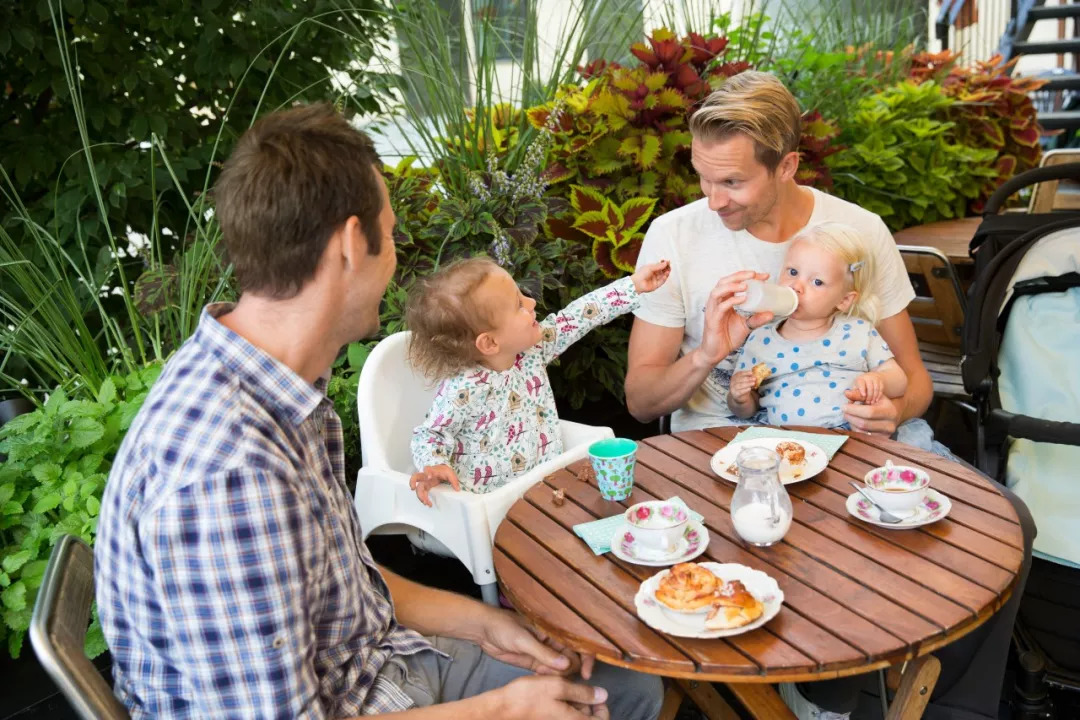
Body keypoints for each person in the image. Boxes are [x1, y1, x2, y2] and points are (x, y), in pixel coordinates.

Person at [95, 104, 663, 719]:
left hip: (377, 660)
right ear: (347, 247)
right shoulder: (229, 473)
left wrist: (486, 624)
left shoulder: (278, 393)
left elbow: (343, 587)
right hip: (359, 699)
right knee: (615, 698)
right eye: (389, 235)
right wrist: (504, 710)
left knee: (627, 684)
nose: (396, 256)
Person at [624, 71, 1034, 720]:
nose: (713, 200)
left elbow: (916, 381)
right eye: (702, 177)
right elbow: (642, 401)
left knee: (1006, 524)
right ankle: (840, 700)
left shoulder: (857, 232)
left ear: (787, 165)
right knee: (824, 572)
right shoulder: (676, 236)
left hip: (849, 449)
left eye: (732, 181)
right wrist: (707, 353)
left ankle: (936, 705)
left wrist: (891, 410)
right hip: (723, 459)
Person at [407, 256, 670, 505]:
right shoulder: (464, 387)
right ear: (489, 342)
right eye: (519, 305)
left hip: (545, 487)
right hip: (490, 505)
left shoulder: (531, 351)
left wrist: (633, 285)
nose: (531, 303)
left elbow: (579, 316)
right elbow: (430, 434)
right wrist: (435, 464)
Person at [727, 223, 907, 425]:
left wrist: (879, 381)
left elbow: (899, 381)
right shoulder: (761, 338)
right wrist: (739, 397)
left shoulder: (858, 332)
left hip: (852, 437)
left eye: (817, 282)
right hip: (785, 443)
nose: (796, 286)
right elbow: (748, 409)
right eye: (793, 272)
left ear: (844, 300)